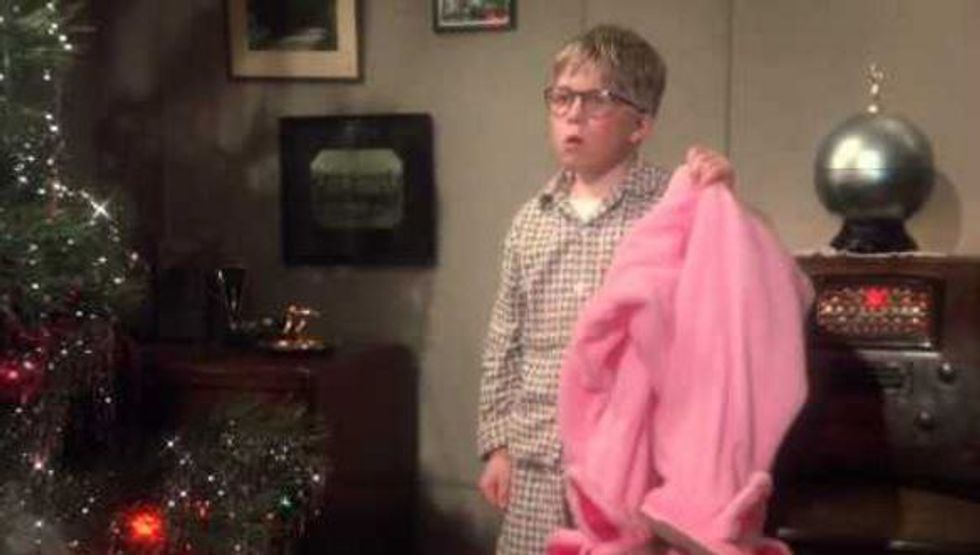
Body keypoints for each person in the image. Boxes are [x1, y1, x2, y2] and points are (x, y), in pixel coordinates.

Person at [475, 24, 736, 555]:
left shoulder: (673, 207)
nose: (573, 114)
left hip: (633, 463)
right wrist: (498, 446)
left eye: (597, 100)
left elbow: (723, 311)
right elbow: (505, 341)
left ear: (640, 124)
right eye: (562, 98)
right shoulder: (530, 221)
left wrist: (721, 201)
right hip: (538, 458)